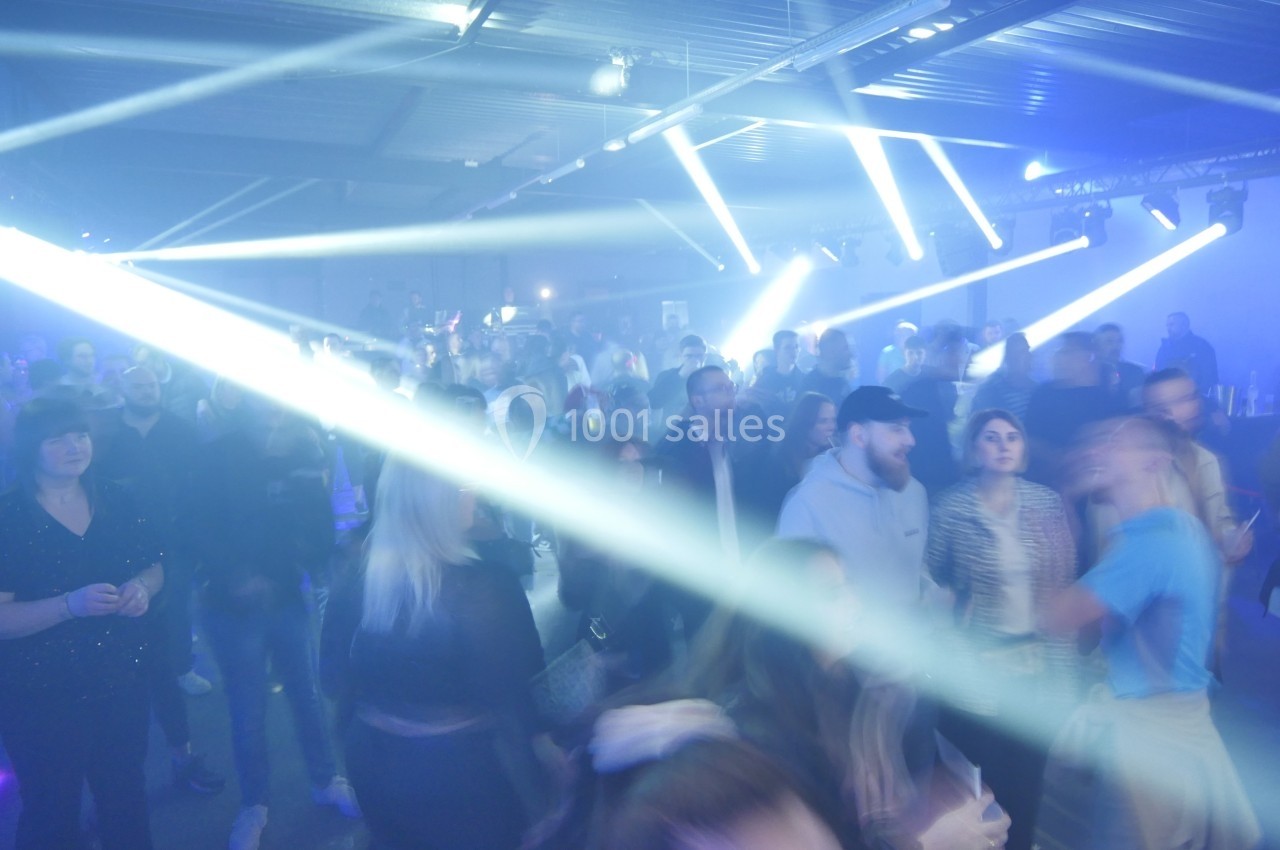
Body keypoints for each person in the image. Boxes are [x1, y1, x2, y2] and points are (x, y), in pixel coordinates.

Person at [1042, 416, 1260, 850]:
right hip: (1176, 728)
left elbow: (1057, 617)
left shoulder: (1151, 544)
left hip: (1151, 741)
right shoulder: (1182, 528)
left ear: (1154, 463)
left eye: (1113, 444)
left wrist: (1061, 509)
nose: (1096, 452)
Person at [320, 456, 546, 850]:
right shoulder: (484, 589)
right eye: (462, 488)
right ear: (433, 503)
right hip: (459, 777)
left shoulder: (355, 579)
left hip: (372, 760)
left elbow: (331, 678)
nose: (473, 494)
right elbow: (517, 695)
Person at [0, 398, 165, 850]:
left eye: (81, 435)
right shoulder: (8, 516)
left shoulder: (118, 496)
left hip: (120, 677)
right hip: (40, 694)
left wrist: (142, 588)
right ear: (31, 448)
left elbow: (155, 565)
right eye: (58, 439)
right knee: (51, 809)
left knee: (126, 796)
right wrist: (68, 605)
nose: (75, 447)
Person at [195, 408, 359, 850]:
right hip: (230, 604)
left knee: (306, 695)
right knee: (247, 709)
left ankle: (325, 780)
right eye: (265, 417)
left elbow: (319, 528)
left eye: (279, 419)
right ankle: (254, 805)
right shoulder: (218, 454)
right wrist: (234, 574)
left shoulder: (305, 452)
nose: (273, 426)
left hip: (287, 594)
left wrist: (301, 550)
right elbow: (196, 525)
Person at [926, 410, 1078, 850]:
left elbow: (1062, 593)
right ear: (974, 449)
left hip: (1037, 670)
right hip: (978, 669)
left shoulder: (1046, 503)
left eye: (1013, 437)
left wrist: (1065, 687)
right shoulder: (951, 507)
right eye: (992, 438)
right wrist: (949, 618)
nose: (1004, 445)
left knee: (1028, 788)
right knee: (981, 791)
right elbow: (930, 578)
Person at [93, 366, 225, 793]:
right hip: (120, 552)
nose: (146, 391)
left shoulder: (178, 428)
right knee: (130, 645)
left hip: (175, 541)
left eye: (151, 385)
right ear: (123, 390)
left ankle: (180, 672)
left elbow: (201, 483)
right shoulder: (109, 437)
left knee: (174, 615)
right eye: (138, 385)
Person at [778, 386, 929, 614]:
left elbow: (916, 570)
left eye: (908, 428)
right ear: (859, 435)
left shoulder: (914, 493)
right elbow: (792, 602)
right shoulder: (807, 504)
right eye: (896, 429)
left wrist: (933, 595)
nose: (910, 440)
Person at [1023, 332, 1121, 490]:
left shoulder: (1105, 399)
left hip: (1091, 488)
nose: (1059, 357)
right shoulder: (1044, 393)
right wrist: (1057, 457)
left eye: (1067, 351)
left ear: (1087, 357)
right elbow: (1028, 437)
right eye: (1060, 351)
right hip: (1046, 485)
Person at [749, 392, 836, 525]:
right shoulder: (779, 463)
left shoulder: (832, 457)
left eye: (833, 420)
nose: (831, 427)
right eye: (823, 421)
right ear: (805, 423)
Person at [901, 329, 968, 495]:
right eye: (951, 352)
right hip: (925, 485)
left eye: (961, 352)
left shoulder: (956, 390)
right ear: (934, 354)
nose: (958, 359)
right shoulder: (916, 392)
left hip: (952, 484)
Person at [972, 333, 1036, 421]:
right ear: (1009, 358)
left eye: (1028, 351)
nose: (1029, 356)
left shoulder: (1036, 390)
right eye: (1022, 352)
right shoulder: (989, 389)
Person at [1154, 312, 1218, 394]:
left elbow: (1210, 377)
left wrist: (1195, 395)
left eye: (1172, 325)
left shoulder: (1201, 346)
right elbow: (1158, 372)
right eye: (1167, 325)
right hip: (1167, 397)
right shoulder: (1164, 348)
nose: (1168, 328)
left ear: (1184, 325)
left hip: (1192, 397)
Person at [646, 334, 706, 421]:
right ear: (681, 356)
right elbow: (653, 402)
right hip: (674, 429)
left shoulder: (713, 377)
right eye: (689, 356)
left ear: (705, 356)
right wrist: (680, 377)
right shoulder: (667, 375)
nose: (694, 360)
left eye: (699, 356)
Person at [753, 330, 806, 418]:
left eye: (796, 346)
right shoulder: (764, 381)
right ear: (777, 350)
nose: (794, 351)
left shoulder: (805, 380)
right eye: (788, 347)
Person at [800, 328, 857, 407]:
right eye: (845, 348)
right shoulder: (810, 388)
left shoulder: (844, 385)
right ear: (830, 351)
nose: (851, 354)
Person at [1095, 323, 1145, 410]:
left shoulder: (1134, 371)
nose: (1116, 346)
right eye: (1109, 341)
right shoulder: (1089, 373)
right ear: (1096, 345)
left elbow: (1137, 406)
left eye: (1119, 341)